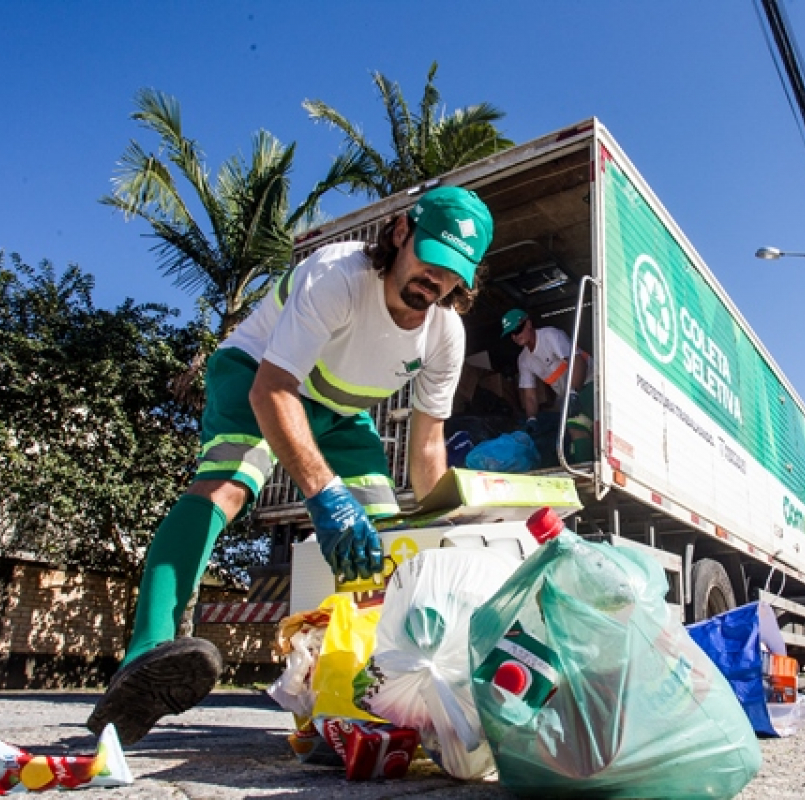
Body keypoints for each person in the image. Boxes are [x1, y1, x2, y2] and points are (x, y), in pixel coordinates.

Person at [87, 186, 493, 744]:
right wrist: (323, 494)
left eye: (453, 274)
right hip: (257, 373)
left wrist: (442, 534)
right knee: (227, 488)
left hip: (341, 410)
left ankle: (365, 687)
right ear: (401, 232)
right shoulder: (337, 275)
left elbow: (427, 446)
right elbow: (273, 389)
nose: (438, 281)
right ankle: (146, 653)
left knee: (379, 539)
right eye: (432, 259)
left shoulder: (445, 333)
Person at [500, 308, 594, 463]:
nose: (516, 336)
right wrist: (531, 419)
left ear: (529, 323)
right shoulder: (524, 360)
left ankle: (585, 475)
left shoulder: (550, 336)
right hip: (572, 395)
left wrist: (573, 392)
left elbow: (578, 362)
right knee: (570, 433)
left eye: (518, 329)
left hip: (591, 382)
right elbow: (529, 395)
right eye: (511, 334)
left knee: (576, 426)